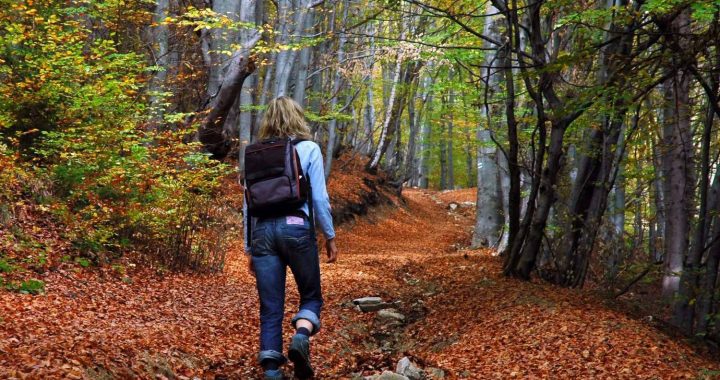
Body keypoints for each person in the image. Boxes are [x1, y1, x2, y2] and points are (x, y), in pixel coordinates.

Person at [243, 96, 338, 380]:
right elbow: (320, 198)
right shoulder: (309, 148)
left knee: (270, 305)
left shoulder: (254, 153)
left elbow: (247, 205)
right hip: (297, 227)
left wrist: (249, 247)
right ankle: (300, 335)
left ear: (267, 121)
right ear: (298, 117)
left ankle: (272, 370)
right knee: (311, 296)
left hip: (262, 233)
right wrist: (330, 235)